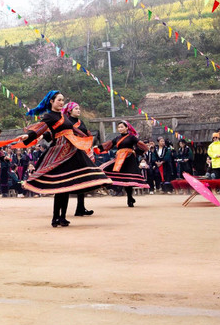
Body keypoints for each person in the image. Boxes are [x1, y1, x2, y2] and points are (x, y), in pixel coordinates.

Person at [17, 91, 111, 227]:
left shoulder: (63, 116)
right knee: (60, 186)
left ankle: (62, 217)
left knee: (66, 186)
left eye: (63, 100)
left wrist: (86, 140)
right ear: (51, 101)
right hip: (59, 151)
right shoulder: (49, 116)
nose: (61, 102)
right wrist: (29, 135)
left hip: (72, 150)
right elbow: (41, 127)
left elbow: (74, 130)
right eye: (59, 100)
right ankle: (55, 217)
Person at [96, 121, 150, 207]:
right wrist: (98, 147)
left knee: (129, 179)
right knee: (106, 170)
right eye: (119, 127)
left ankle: (129, 198)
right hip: (119, 159)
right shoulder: (117, 138)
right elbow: (109, 144)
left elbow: (142, 146)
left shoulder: (132, 137)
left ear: (127, 128)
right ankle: (125, 195)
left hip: (129, 159)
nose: (120, 129)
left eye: (122, 127)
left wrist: (135, 152)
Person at [62, 101, 96, 216]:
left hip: (80, 152)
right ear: (70, 111)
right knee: (67, 180)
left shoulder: (81, 123)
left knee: (83, 179)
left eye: (79, 108)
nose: (78, 110)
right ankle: (61, 211)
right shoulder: (66, 122)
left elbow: (86, 134)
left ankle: (80, 207)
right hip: (70, 153)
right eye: (76, 108)